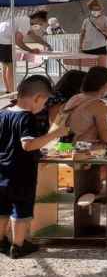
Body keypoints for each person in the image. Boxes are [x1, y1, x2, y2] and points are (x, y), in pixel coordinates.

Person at [1, 77, 68, 258]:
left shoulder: (3, 113)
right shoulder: (27, 117)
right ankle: (18, 245)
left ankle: (1, 242)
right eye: (45, 102)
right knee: (20, 210)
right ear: (37, 98)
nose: (44, 106)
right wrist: (55, 133)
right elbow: (28, 145)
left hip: (2, 172)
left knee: (2, 208)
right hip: (22, 173)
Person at [60, 67, 107, 144]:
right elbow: (106, 138)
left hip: (64, 147)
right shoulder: (97, 104)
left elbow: (98, 110)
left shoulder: (76, 98)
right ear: (106, 85)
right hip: (79, 149)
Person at [0, 9, 51, 93]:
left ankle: (9, 91)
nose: (39, 26)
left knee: (5, 66)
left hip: (3, 37)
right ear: (38, 19)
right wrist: (31, 50)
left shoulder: (25, 20)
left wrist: (47, 44)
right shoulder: (26, 23)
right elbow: (18, 41)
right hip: (3, 40)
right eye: (40, 23)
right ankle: (13, 92)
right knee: (10, 67)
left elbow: (34, 37)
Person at [79, 0, 107, 72]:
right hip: (88, 48)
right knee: (91, 70)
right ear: (90, 10)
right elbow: (82, 34)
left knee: (103, 69)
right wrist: (80, 46)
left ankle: (102, 83)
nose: (96, 11)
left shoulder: (105, 19)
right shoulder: (86, 20)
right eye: (94, 9)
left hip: (100, 46)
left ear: (101, 9)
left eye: (98, 9)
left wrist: (102, 27)